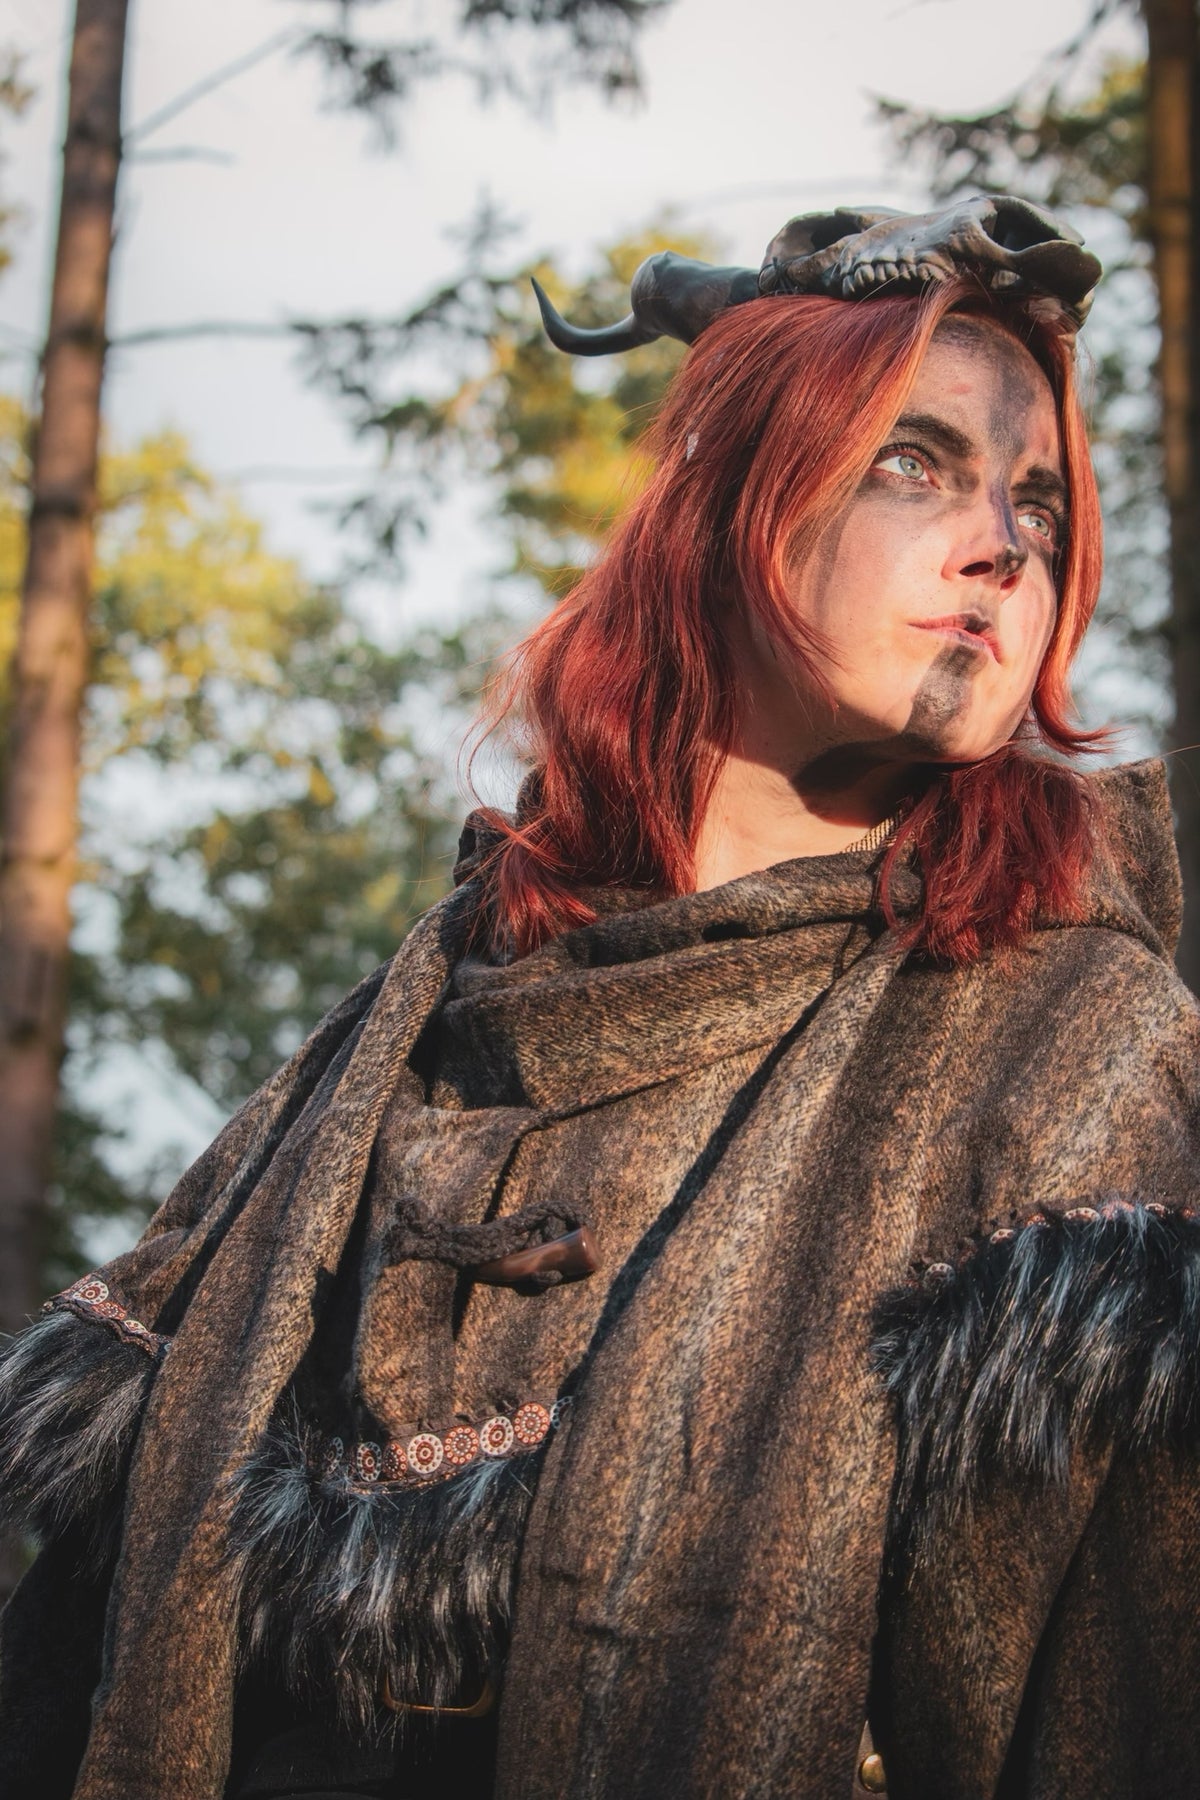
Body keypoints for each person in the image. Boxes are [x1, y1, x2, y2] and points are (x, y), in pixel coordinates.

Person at [2, 197, 1198, 1800]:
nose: (1006, 539)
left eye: (1037, 498)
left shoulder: (1077, 1053)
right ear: (731, 506)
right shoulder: (399, 1033)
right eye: (916, 463)